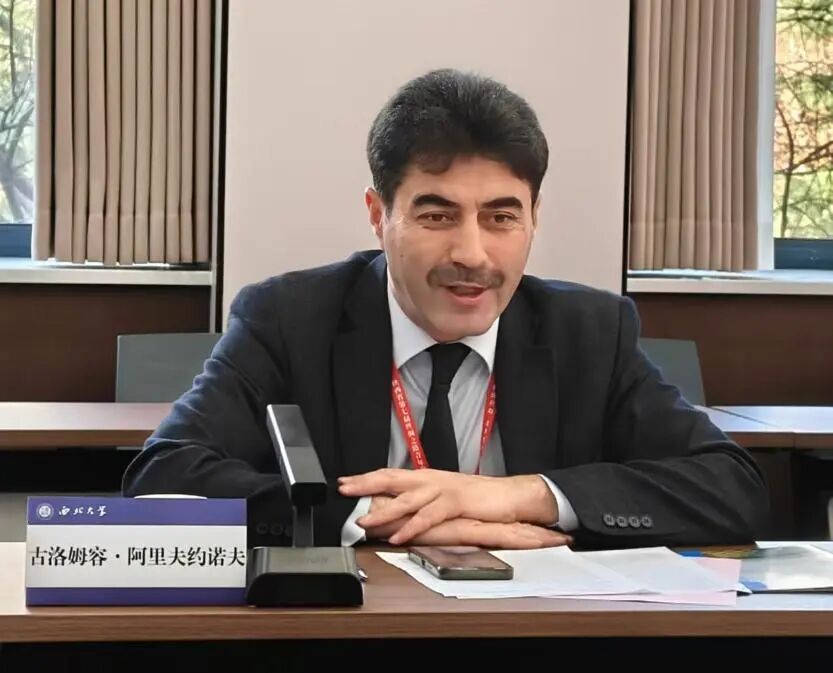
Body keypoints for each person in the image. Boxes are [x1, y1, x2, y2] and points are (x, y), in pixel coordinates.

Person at [122, 68, 770, 550]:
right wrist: (381, 517)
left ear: (534, 217)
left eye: (501, 217)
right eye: (437, 216)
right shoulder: (289, 318)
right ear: (378, 215)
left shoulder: (589, 331)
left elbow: (730, 485)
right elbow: (163, 475)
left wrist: (519, 497)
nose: (472, 254)